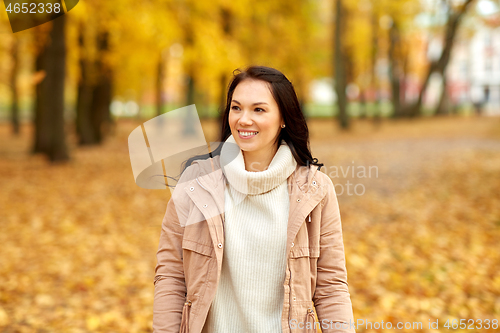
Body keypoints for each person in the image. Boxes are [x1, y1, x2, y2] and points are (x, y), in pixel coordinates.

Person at [153, 65, 355, 333]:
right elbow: (171, 276)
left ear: (284, 117)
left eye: (258, 109)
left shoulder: (316, 190)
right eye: (236, 108)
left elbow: (330, 287)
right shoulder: (196, 183)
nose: (243, 120)